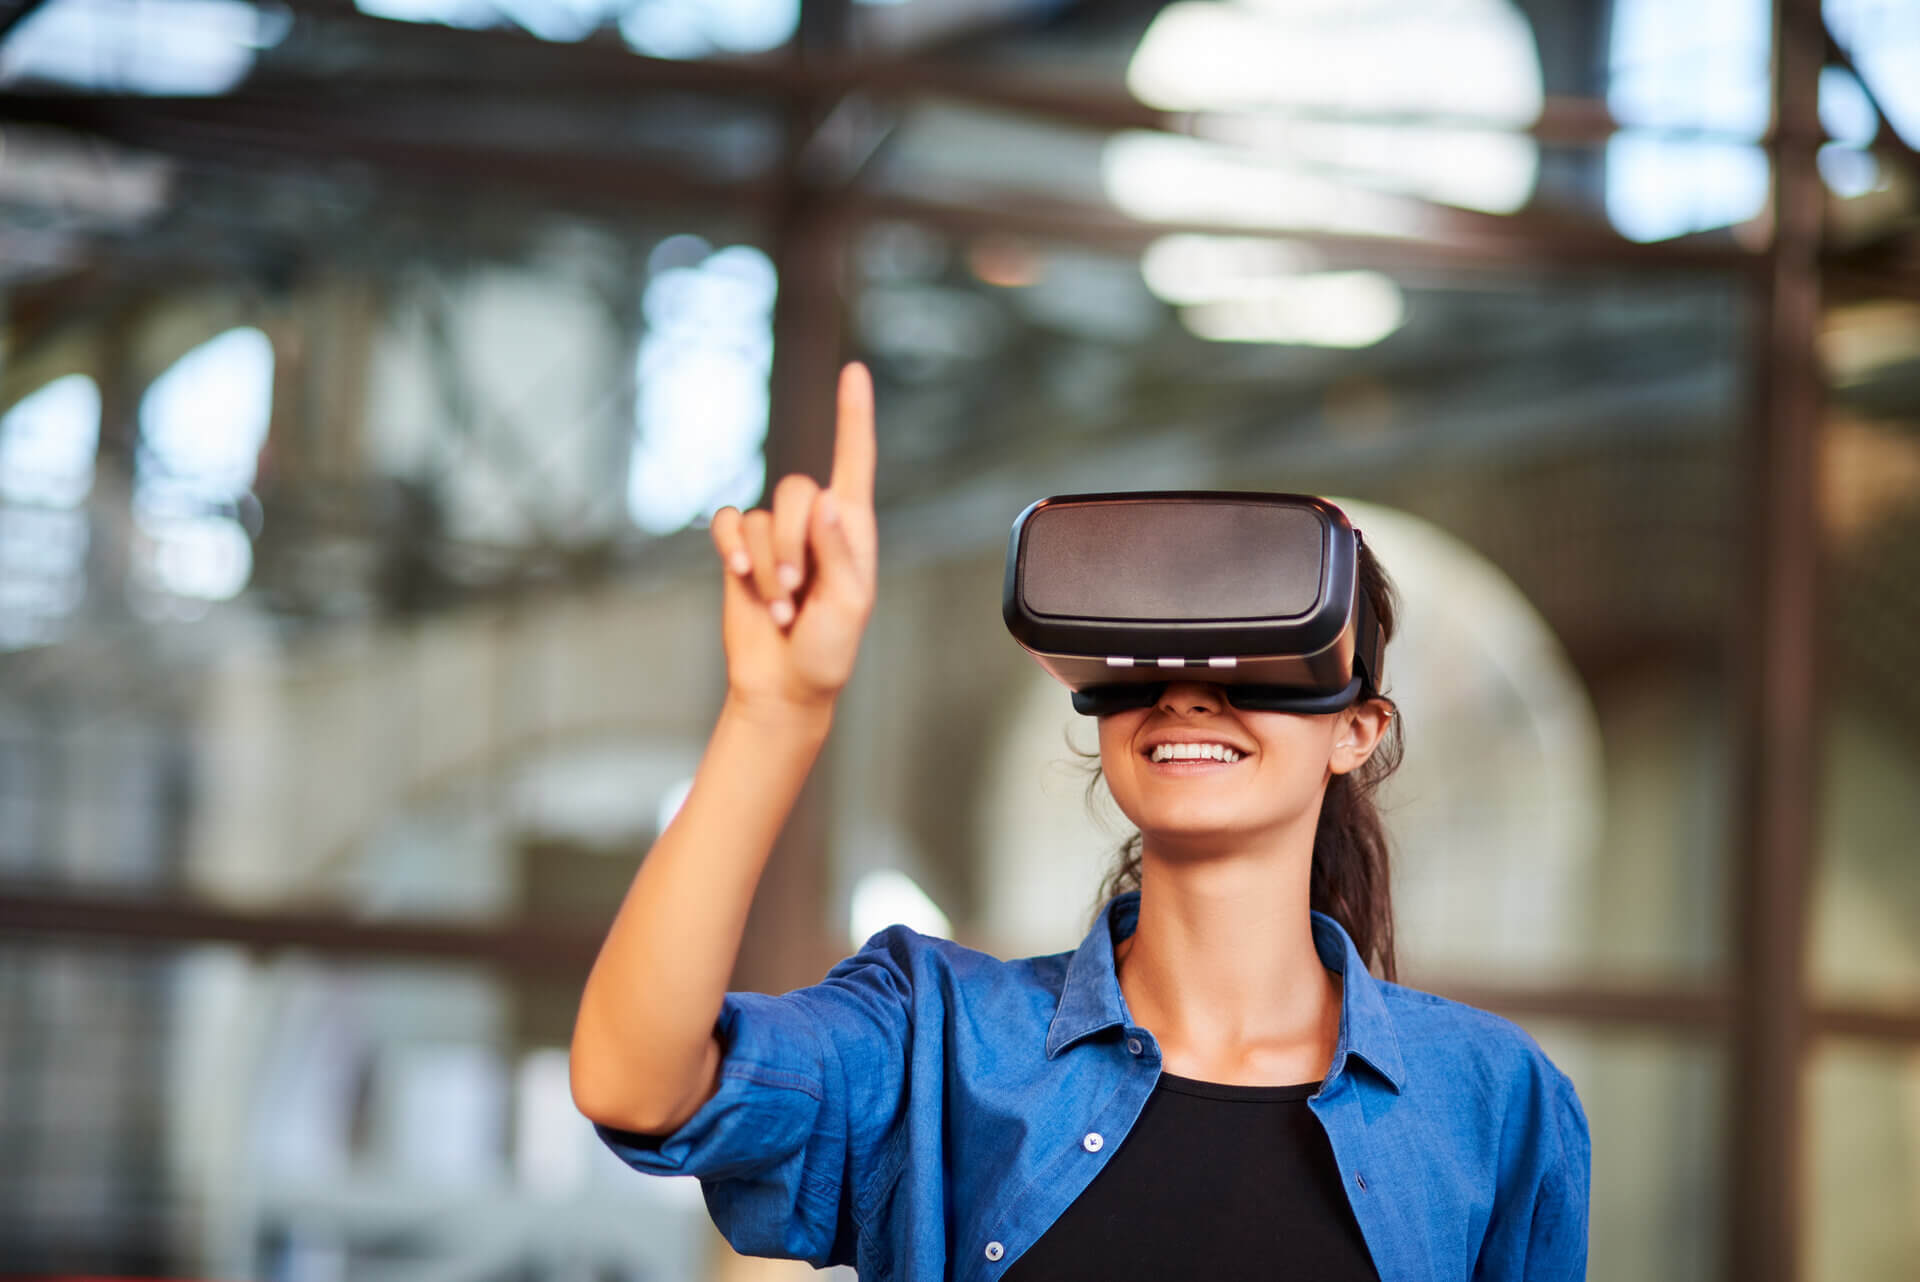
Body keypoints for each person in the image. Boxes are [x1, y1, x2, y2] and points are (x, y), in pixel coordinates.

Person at [570, 363, 1591, 1281]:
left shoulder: (1496, 1104)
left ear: (1356, 730)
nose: (1190, 692)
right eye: (1149, 655)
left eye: (1253, 654)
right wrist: (775, 712)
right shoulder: (939, 1042)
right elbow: (639, 1083)